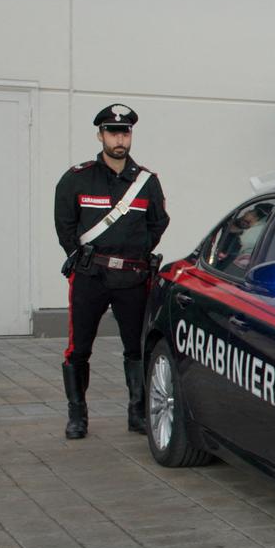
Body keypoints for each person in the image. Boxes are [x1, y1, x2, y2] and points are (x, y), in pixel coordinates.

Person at [54, 105, 170, 440]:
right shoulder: (77, 178)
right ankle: (77, 416)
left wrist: (134, 250)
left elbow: (157, 224)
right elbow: (64, 224)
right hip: (90, 276)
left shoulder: (147, 182)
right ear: (100, 135)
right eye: (112, 132)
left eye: (125, 132)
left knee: (137, 347)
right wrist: (81, 257)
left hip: (132, 278)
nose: (119, 139)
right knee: (79, 348)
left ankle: (137, 412)